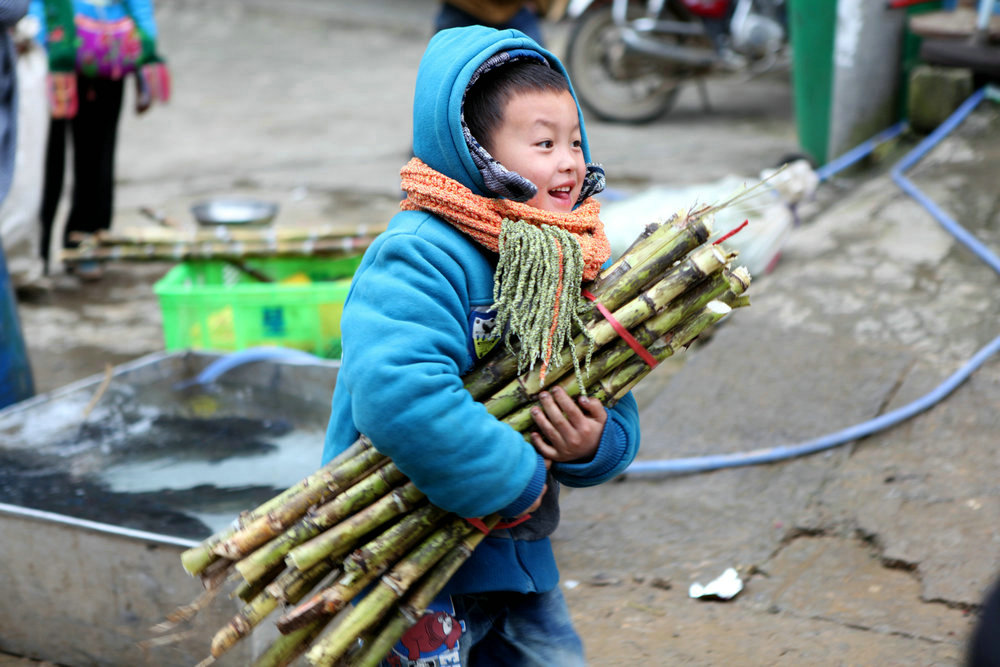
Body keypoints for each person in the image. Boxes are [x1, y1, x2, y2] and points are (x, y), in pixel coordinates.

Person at [322, 25, 640, 666]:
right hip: (407, 557)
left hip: (515, 556)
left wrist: (595, 445)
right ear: (476, 151)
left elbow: (611, 387)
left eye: (575, 141)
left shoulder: (565, 254)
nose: (570, 161)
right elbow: (400, 394)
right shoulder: (419, 254)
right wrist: (516, 481)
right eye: (544, 143)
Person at [29, 0, 165, 280]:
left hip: (107, 57)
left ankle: (87, 244)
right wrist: (38, 39)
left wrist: (147, 48)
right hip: (52, 60)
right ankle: (34, 254)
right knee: (44, 164)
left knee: (97, 157)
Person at [435, 1, 550, 46]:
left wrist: (539, 4)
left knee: (538, 74)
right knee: (444, 74)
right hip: (463, 8)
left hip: (515, 9)